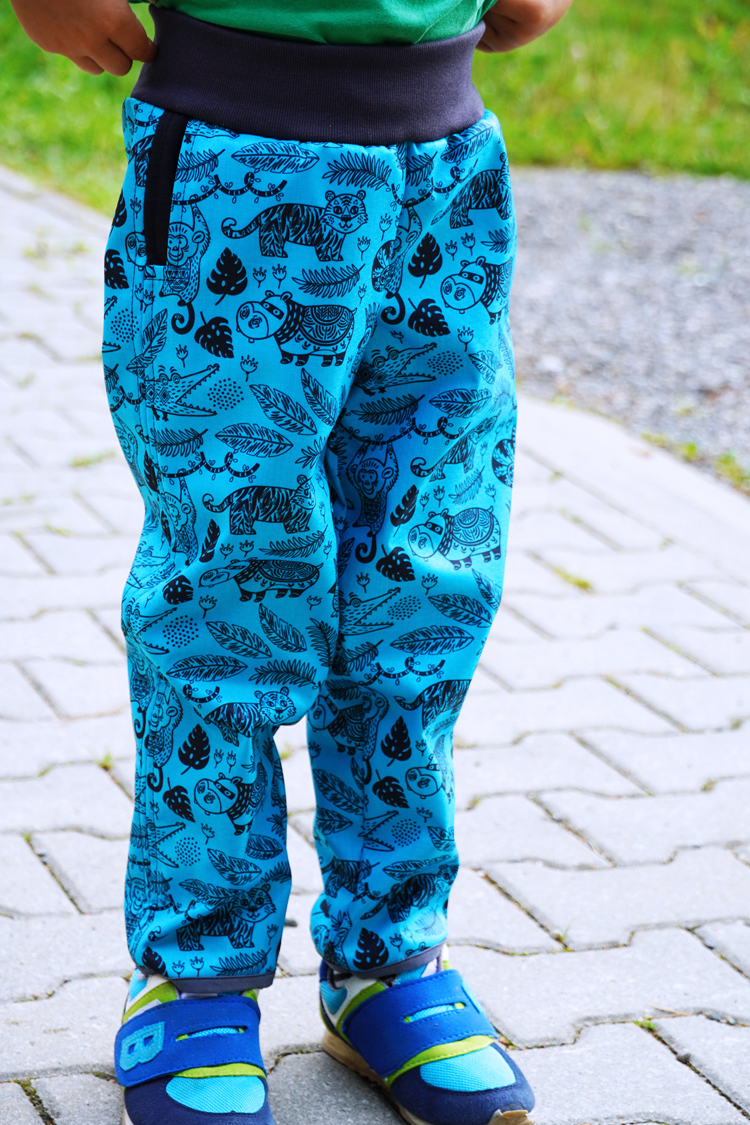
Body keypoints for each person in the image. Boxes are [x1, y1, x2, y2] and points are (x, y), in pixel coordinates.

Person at [11, 1, 572, 1122]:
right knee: (233, 590)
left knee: (424, 586)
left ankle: (389, 957)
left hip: (446, 163)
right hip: (235, 152)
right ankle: (197, 973)